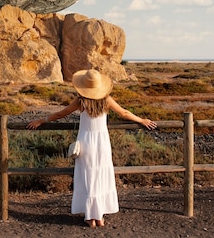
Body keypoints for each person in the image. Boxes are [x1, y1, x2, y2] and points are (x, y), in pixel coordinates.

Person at [27, 68, 157, 228]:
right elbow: (123, 113)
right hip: (102, 142)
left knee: (88, 177)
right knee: (101, 175)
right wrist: (141, 119)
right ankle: (99, 216)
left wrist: (41, 120)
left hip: (86, 141)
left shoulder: (81, 101)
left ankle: (90, 217)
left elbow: (61, 114)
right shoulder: (106, 100)